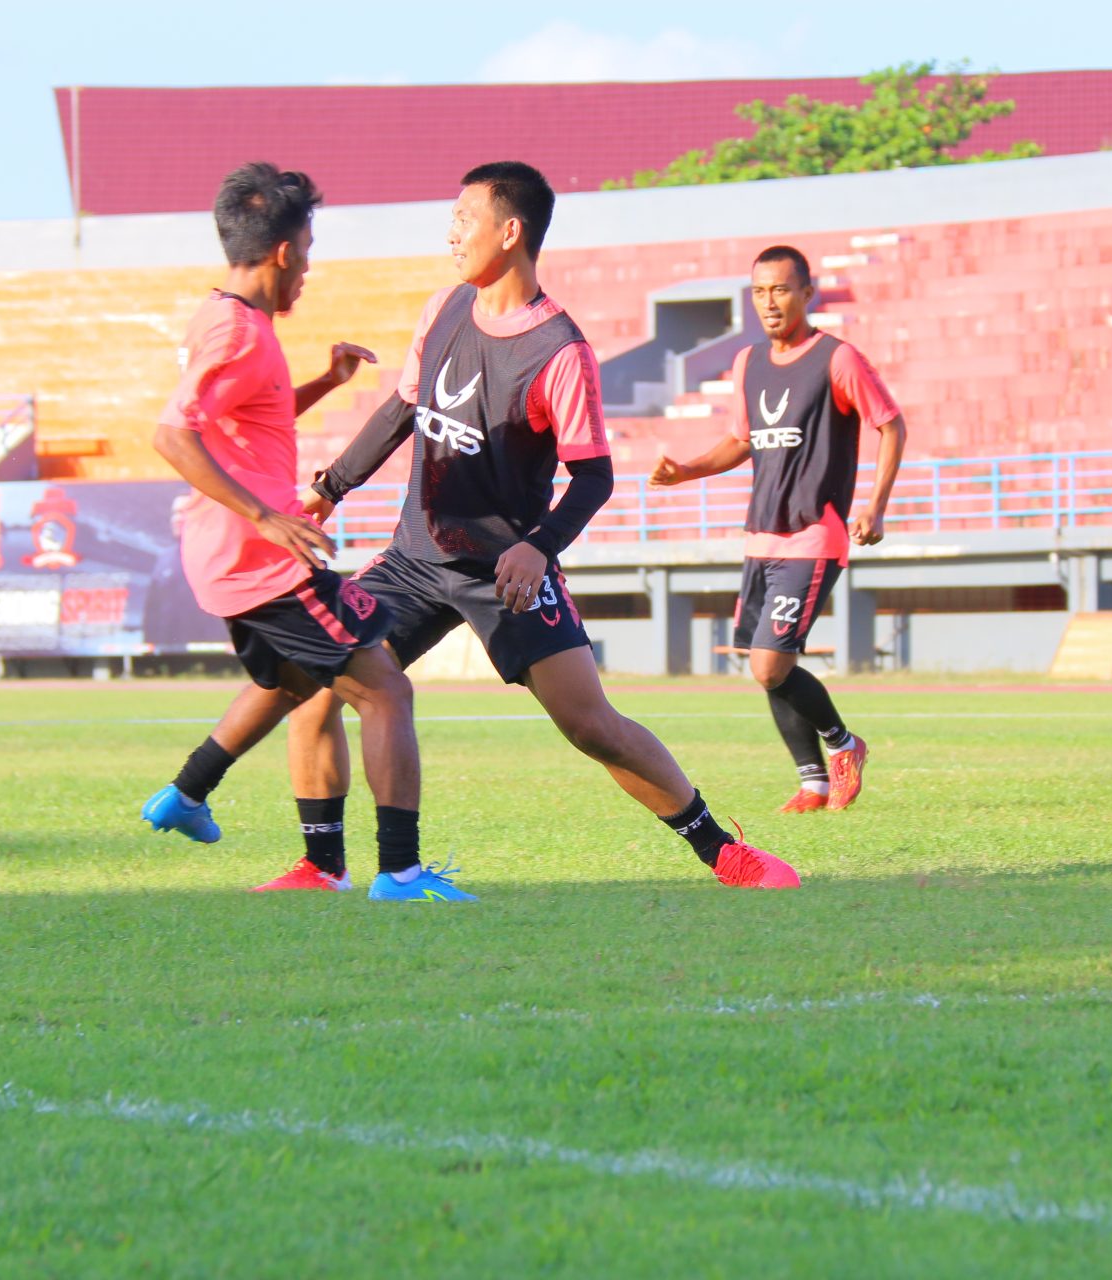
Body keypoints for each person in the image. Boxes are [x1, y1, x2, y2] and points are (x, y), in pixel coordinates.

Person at [285, 162, 799, 890]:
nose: (452, 230)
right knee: (318, 676)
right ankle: (326, 867)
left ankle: (725, 852)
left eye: (466, 215)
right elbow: (402, 410)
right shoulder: (444, 310)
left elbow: (594, 477)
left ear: (511, 230)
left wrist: (537, 548)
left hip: (506, 573)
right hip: (413, 557)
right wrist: (330, 487)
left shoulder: (560, 349)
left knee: (592, 726)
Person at [139, 161, 471, 903]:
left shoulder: (224, 318)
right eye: (310, 251)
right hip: (259, 555)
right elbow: (171, 434)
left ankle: (186, 795)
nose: (309, 270)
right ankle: (401, 874)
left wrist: (324, 384)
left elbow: (242, 424)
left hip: (226, 555)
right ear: (286, 251)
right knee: (386, 692)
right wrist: (266, 517)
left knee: (290, 680)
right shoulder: (237, 331)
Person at [650, 245, 908, 812]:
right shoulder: (747, 363)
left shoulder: (837, 359)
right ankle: (813, 782)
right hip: (761, 534)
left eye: (782, 290)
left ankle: (844, 744)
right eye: (760, 292)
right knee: (766, 666)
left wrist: (876, 505)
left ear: (807, 293)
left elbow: (891, 426)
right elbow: (742, 441)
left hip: (816, 532)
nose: (770, 302)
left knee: (771, 662)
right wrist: (688, 469)